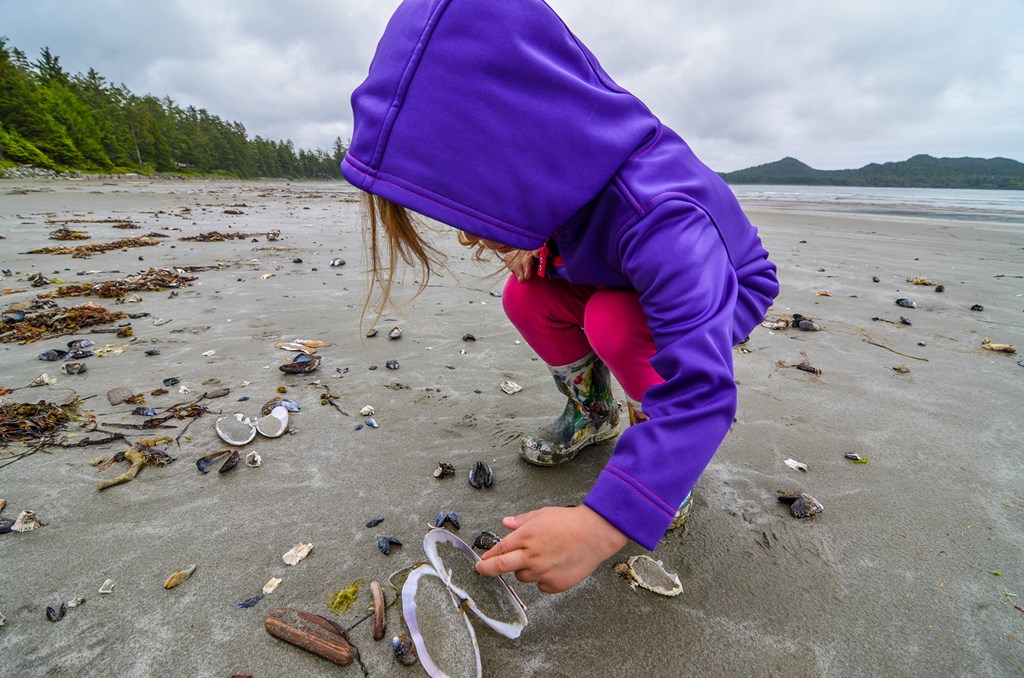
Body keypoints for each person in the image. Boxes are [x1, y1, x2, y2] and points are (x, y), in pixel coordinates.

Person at [341, 0, 779, 594]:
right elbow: (582, 232)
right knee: (528, 295)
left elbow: (703, 390)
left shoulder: (663, 214)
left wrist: (602, 524)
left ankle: (663, 461)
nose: (468, 234)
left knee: (615, 321)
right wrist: (541, 237)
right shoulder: (563, 172)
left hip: (725, 283)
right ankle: (592, 413)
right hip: (614, 267)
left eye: (473, 205)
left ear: (523, 156)